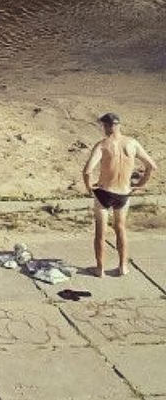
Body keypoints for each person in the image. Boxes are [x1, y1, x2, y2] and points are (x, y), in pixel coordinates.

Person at [82, 112, 157, 277]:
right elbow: (152, 166)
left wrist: (89, 188)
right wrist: (141, 184)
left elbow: (87, 171)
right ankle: (123, 267)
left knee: (100, 233)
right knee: (120, 229)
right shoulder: (132, 143)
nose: (101, 129)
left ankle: (99, 269)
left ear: (108, 126)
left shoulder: (102, 145)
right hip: (124, 193)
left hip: (104, 192)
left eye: (102, 126)